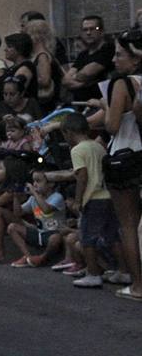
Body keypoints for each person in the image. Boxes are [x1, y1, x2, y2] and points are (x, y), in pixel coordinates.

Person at [88, 28, 142, 299]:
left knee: (129, 224)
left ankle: (138, 285)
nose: (114, 60)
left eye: (120, 54)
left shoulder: (122, 83)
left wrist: (104, 103)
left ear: (134, 58)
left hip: (126, 154)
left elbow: (112, 125)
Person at [60, 112, 121, 288]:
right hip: (107, 195)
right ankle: (123, 270)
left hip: (93, 197)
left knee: (88, 237)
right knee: (112, 236)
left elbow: (82, 176)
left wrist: (78, 200)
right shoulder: (98, 147)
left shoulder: (77, 150)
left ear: (69, 132)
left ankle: (93, 273)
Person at [63, 16, 114, 103]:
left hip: (100, 105)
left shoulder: (108, 49)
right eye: (85, 30)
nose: (88, 33)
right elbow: (66, 80)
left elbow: (86, 73)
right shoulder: (83, 54)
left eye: (93, 29)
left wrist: (75, 77)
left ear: (101, 31)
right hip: (80, 103)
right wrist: (85, 83)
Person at [25, 19, 64, 109]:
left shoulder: (42, 56)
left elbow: (45, 80)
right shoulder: (44, 55)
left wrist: (28, 79)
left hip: (45, 104)